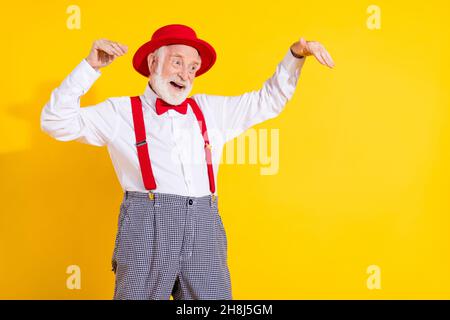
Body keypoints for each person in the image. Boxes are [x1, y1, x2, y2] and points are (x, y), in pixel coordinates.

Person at [40, 24, 334, 300]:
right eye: (177, 62)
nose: (185, 74)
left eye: (193, 67)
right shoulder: (120, 113)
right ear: (153, 62)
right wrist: (89, 68)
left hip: (204, 226)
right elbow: (55, 121)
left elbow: (267, 100)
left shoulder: (210, 110)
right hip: (147, 228)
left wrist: (296, 55)